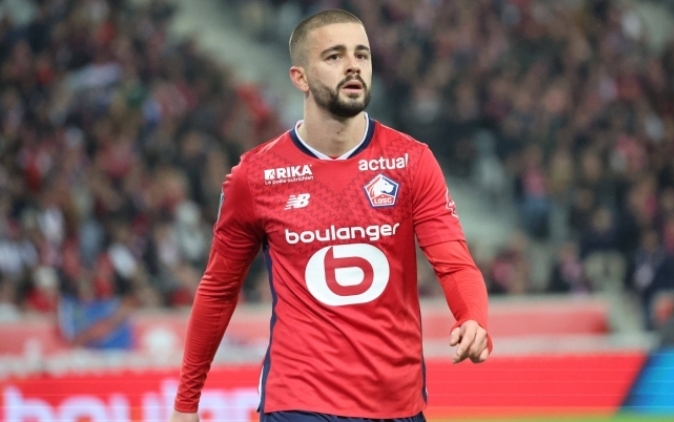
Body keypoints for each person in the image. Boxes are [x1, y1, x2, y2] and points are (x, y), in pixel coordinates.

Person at [170, 9, 492, 422]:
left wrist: (473, 318)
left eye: (362, 54)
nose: (353, 65)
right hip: (299, 400)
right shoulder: (255, 176)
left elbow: (455, 264)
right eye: (335, 56)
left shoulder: (411, 161)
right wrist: (186, 401)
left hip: (397, 403)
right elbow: (218, 290)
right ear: (300, 77)